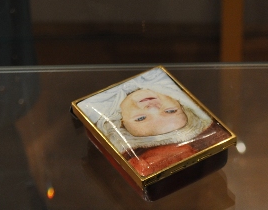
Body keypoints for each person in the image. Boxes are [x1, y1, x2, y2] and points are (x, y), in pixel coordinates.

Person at [78, 68, 231, 177]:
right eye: (170, 111)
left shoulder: (98, 107)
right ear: (180, 103)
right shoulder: (159, 81)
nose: (152, 108)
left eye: (141, 118)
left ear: (121, 123)